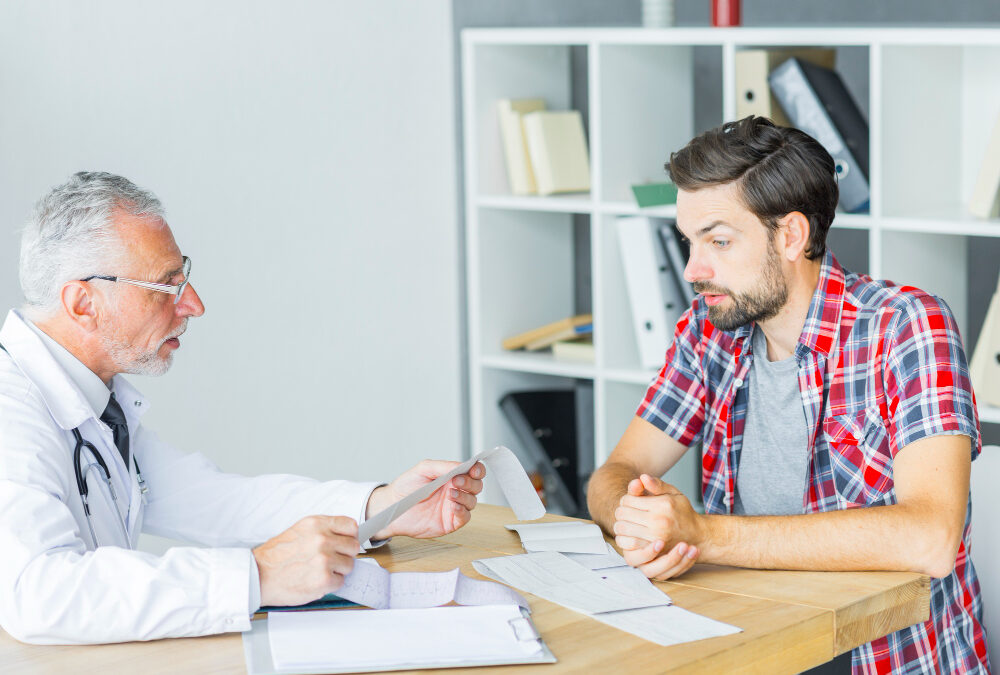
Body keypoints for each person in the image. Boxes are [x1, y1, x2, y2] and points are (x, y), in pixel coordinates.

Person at [0, 172, 485, 645]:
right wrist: (255, 575)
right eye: (166, 286)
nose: (193, 304)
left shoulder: (95, 402)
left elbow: (215, 500)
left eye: (183, 277)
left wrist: (381, 508)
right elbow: (39, 593)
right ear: (83, 303)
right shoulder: (12, 409)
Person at [587, 117, 989, 673]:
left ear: (791, 236)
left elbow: (931, 537)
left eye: (719, 241)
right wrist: (635, 518)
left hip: (879, 656)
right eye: (689, 241)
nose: (692, 269)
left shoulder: (907, 326)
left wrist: (701, 534)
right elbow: (617, 470)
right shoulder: (707, 331)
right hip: (751, 641)